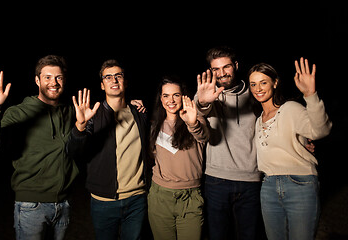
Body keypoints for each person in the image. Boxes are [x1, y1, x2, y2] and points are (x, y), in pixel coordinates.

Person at [0, 55, 79, 240]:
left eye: (58, 77)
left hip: (63, 203)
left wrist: (130, 104)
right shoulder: (20, 112)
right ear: (37, 80)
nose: (53, 83)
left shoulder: (71, 111)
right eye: (47, 77)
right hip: (31, 205)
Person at [248, 58, 332, 240]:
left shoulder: (290, 108)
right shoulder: (258, 119)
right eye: (253, 84)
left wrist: (311, 95)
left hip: (299, 184)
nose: (258, 88)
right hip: (268, 186)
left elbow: (320, 130)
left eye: (263, 82)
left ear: (275, 83)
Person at [66, 59, 149, 240]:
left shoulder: (139, 112)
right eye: (108, 77)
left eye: (118, 76)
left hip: (137, 198)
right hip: (104, 201)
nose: (114, 80)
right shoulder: (93, 116)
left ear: (125, 82)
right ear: (102, 85)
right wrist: (80, 126)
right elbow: (74, 151)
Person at [194, 46, 262, 239]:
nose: (222, 73)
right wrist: (203, 103)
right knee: (217, 235)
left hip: (251, 179)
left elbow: (273, 120)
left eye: (226, 67)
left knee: (248, 235)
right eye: (215, 69)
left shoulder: (255, 93)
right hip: (216, 180)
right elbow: (194, 122)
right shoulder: (205, 94)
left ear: (236, 66)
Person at [147, 76, 209, 240]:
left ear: (183, 96)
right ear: (161, 98)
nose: (171, 100)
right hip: (160, 197)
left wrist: (192, 122)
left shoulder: (195, 119)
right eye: (166, 95)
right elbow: (152, 155)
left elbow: (204, 137)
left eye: (176, 95)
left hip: (190, 198)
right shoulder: (155, 125)